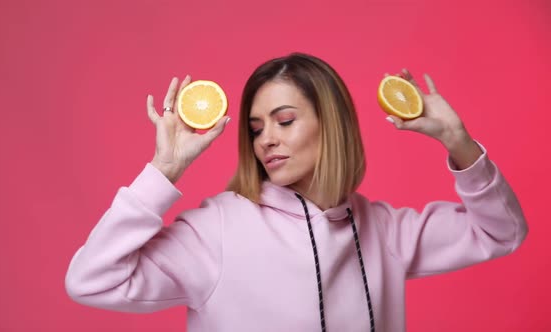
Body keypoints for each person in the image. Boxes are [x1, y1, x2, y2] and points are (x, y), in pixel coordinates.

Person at [65, 53, 528, 332]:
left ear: (332, 123)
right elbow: (92, 280)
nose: (266, 138)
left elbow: (502, 232)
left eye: (285, 121)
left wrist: (458, 142)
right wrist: (164, 170)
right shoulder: (218, 230)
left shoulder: (383, 229)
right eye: (255, 127)